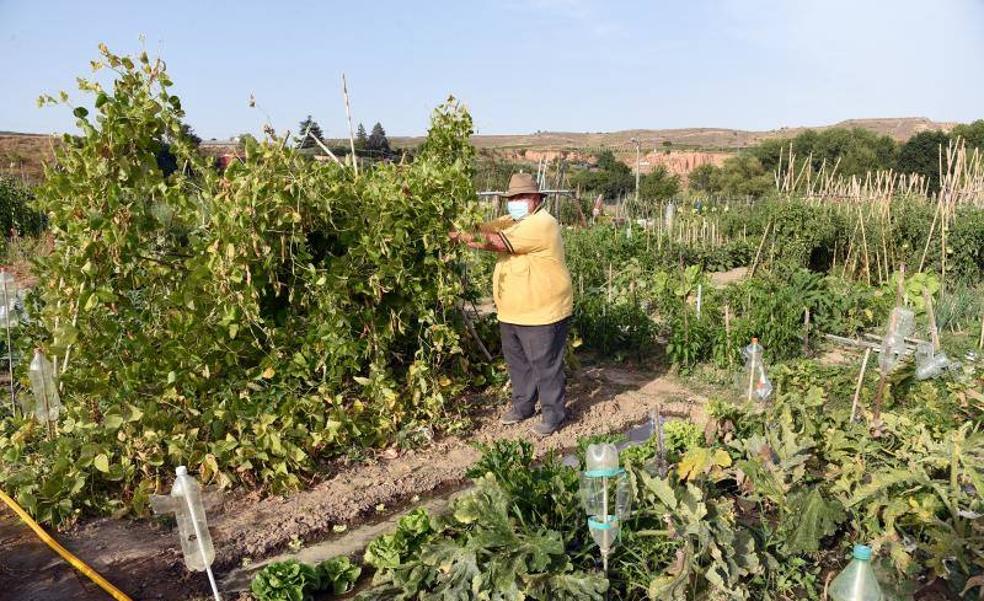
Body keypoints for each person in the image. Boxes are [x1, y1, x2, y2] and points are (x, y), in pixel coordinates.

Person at [450, 173, 574, 436]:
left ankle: (554, 414)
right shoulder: (514, 220)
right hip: (512, 311)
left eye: (522, 197)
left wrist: (459, 236)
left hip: (542, 311)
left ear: (537, 199)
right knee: (518, 363)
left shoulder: (542, 223)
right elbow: (484, 228)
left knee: (545, 365)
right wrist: (457, 224)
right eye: (512, 198)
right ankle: (524, 406)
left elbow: (493, 242)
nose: (516, 202)